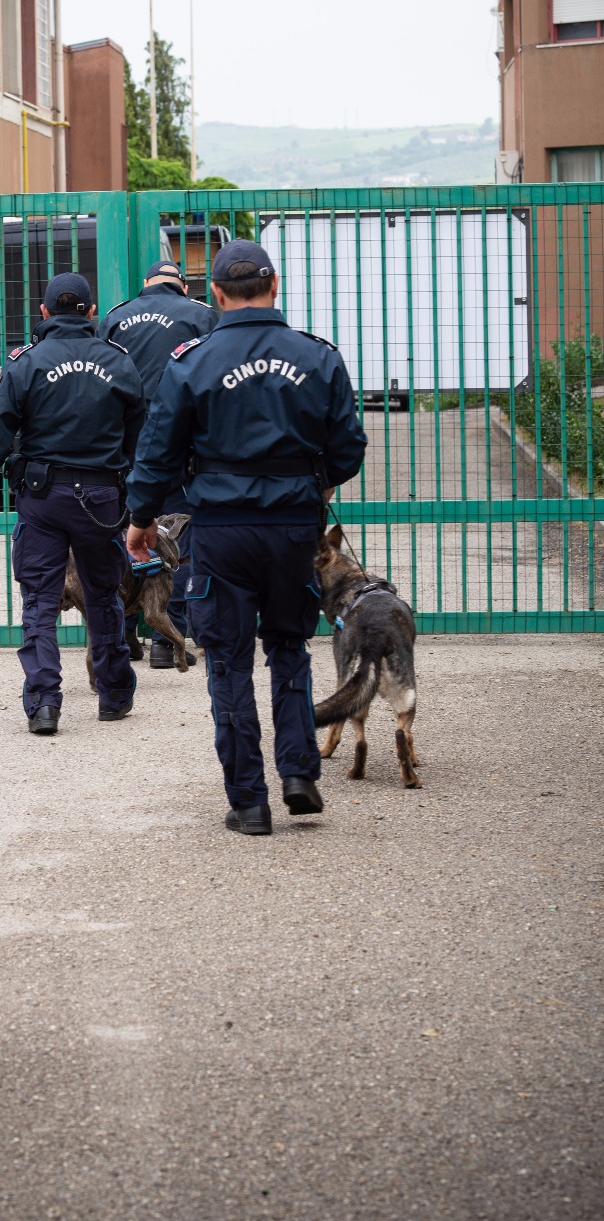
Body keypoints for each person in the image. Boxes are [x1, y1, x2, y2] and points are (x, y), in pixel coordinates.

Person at [125, 239, 367, 837]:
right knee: (288, 647)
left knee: (228, 663)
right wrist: (306, 482)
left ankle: (249, 801)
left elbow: (158, 453)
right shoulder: (319, 358)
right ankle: (299, 775)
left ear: (215, 293)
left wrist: (141, 519)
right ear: (274, 284)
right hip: (292, 531)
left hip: (221, 533)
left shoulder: (192, 360)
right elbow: (348, 450)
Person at [0, 272, 145, 735]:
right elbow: (140, 433)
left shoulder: (27, 362)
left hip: (43, 497)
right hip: (103, 498)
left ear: (44, 313)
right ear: (91, 312)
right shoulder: (118, 361)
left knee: (39, 602)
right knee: (104, 596)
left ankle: (44, 704)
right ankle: (114, 695)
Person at [97, 258, 215, 668]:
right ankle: (169, 639)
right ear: (182, 287)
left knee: (124, 530)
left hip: (122, 445)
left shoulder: (114, 318)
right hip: (181, 444)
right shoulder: (202, 316)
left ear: (146, 284)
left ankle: (125, 632)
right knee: (178, 535)